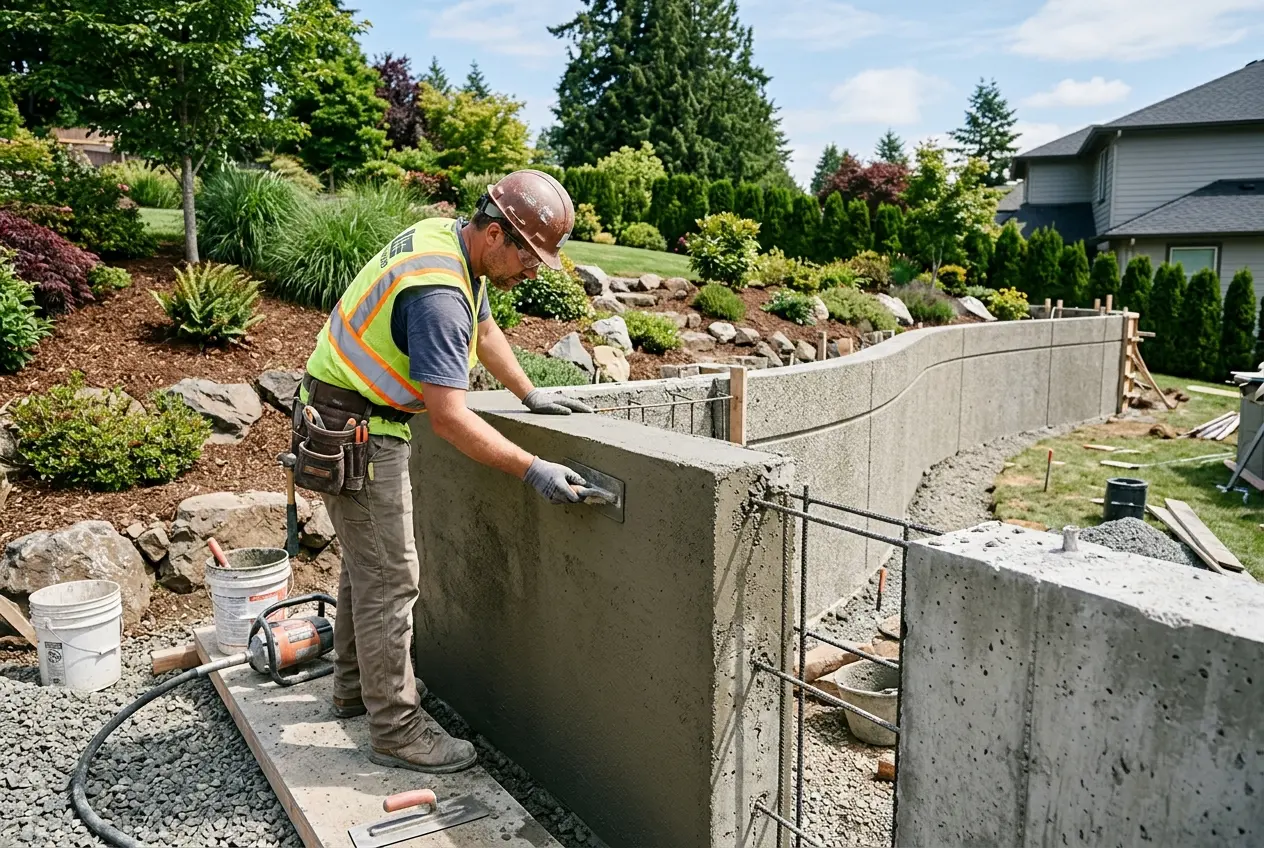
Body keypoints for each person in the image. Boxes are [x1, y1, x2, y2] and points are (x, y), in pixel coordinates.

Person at [295, 170, 597, 774]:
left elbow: (485, 331)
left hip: (347, 413)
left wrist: (530, 393)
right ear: (493, 234)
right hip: (357, 427)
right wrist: (533, 468)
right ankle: (397, 731)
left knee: (369, 566)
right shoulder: (437, 297)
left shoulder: (448, 242)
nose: (533, 272)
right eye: (529, 257)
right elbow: (451, 419)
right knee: (392, 579)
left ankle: (358, 691)